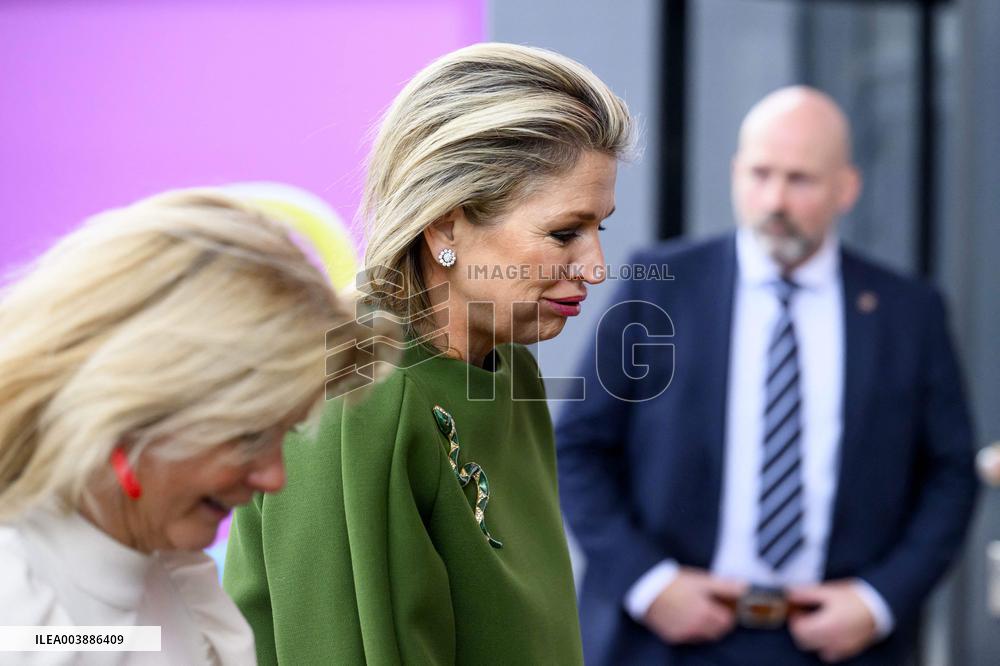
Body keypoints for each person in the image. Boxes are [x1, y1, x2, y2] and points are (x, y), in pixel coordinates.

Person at [223, 42, 635, 664]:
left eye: (597, 228)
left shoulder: (509, 365)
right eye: (563, 233)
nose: (595, 267)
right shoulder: (358, 389)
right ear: (445, 225)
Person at [556, 86, 978, 664]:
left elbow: (950, 472)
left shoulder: (909, 312)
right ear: (736, 173)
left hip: (840, 644)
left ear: (846, 187)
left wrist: (879, 599)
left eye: (800, 179)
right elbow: (579, 445)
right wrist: (650, 584)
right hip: (666, 640)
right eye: (760, 174)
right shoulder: (660, 286)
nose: (775, 200)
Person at [0, 189, 385, 664]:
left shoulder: (176, 573)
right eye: (248, 435)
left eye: (285, 434)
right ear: (133, 398)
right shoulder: (16, 585)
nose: (274, 477)